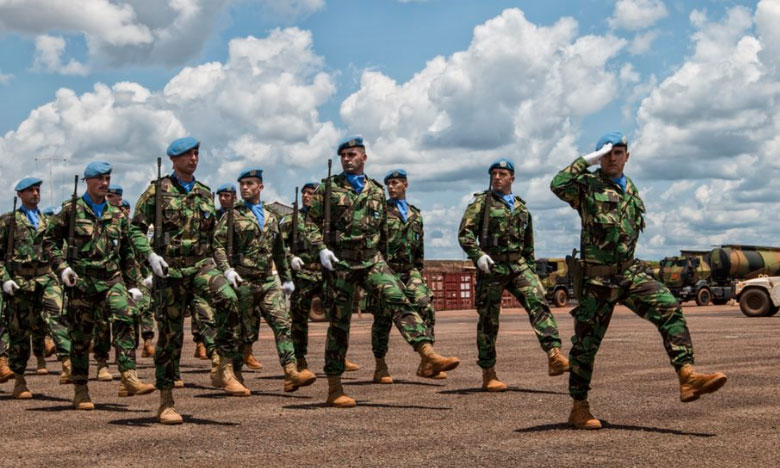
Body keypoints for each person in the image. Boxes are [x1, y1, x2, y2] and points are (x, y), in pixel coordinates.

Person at [550, 131, 727, 429]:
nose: (611, 158)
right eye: (605, 153)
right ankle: (579, 407)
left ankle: (687, 376)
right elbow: (557, 184)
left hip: (629, 273)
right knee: (585, 346)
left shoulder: (630, 188)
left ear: (627, 156)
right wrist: (586, 161)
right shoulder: (586, 185)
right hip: (597, 281)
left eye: (617, 152)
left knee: (669, 307)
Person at [304, 136, 460, 408]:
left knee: (399, 299)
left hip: (371, 260)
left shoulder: (376, 191)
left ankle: (427, 352)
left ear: (364, 157)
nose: (347, 159)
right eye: (343, 155)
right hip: (341, 261)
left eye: (352, 154)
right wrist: (320, 249)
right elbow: (309, 224)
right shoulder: (329, 189)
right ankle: (334, 387)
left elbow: (384, 234)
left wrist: (388, 264)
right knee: (340, 325)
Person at [130, 137, 248, 425]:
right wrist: (149, 256)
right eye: (187, 155)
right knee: (170, 336)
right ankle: (166, 401)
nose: (193, 158)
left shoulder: (204, 193)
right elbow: (134, 229)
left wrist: (226, 268)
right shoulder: (156, 192)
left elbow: (213, 238)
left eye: (196, 153)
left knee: (231, 298)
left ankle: (222, 366)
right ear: (173, 160)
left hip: (199, 266)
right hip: (169, 270)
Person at [45, 162, 155, 410]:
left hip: (110, 280)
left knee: (127, 315)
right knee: (81, 337)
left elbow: (126, 250)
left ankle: (128, 377)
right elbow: (49, 242)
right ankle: (81, 389)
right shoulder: (70, 211)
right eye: (99, 179)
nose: (104, 183)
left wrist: (133, 283)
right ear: (87, 181)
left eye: (107, 178)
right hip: (81, 282)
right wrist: (62, 268)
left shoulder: (116, 214)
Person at [458, 159, 569, 392]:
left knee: (538, 302)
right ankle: (488, 373)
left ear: (512, 178)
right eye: (494, 174)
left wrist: (531, 271)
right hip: (492, 267)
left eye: (502, 174)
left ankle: (554, 354)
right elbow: (465, 234)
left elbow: (528, 245)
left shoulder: (521, 208)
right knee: (488, 320)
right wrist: (477, 255)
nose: (497, 177)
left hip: (518, 265)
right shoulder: (481, 204)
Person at [213, 168, 316, 393]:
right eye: (242, 184)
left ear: (260, 186)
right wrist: (227, 270)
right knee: (242, 332)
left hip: (268, 282)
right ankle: (235, 373)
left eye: (250, 183)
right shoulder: (231, 215)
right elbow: (218, 246)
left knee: (283, 323)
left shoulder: (271, 216)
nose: (245, 187)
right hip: (243, 282)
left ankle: (290, 372)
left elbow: (279, 251)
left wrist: (287, 278)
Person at [0, 177, 73, 398]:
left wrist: (62, 270)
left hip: (46, 277)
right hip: (20, 281)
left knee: (58, 315)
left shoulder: (48, 222)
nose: (35, 193)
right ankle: (20, 381)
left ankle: (68, 362)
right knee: (20, 331)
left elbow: (56, 248)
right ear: (20, 195)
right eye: (30, 190)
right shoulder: (8, 221)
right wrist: (4, 278)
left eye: (37, 190)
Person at [370, 169, 442, 383]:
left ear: (405, 185)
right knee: (383, 319)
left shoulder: (415, 214)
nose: (391, 187)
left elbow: (419, 247)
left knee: (426, 306)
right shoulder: (380, 212)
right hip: (387, 270)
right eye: (389, 184)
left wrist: (419, 272)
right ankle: (380, 365)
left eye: (396, 183)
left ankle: (427, 361)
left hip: (410, 270)